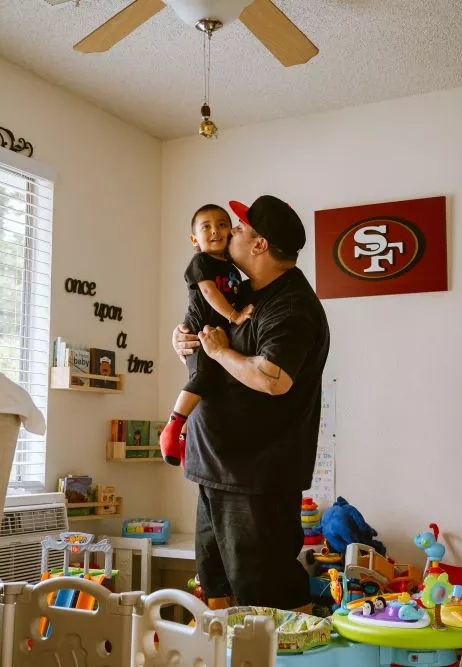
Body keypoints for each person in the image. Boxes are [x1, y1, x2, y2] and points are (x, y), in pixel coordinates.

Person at [171, 195, 331, 613]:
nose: (228, 234)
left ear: (260, 245)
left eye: (238, 228)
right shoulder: (237, 292)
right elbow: (208, 344)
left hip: (254, 477)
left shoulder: (290, 305)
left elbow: (272, 378)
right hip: (216, 466)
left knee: (266, 595)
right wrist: (185, 341)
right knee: (218, 586)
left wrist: (222, 352)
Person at [158, 204, 254, 465]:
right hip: (199, 332)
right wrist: (235, 317)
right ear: (194, 239)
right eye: (207, 227)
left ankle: (184, 440)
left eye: (222, 224)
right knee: (202, 377)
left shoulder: (232, 268)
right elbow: (210, 293)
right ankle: (172, 426)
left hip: (217, 336)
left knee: (208, 387)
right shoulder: (201, 262)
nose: (216, 231)